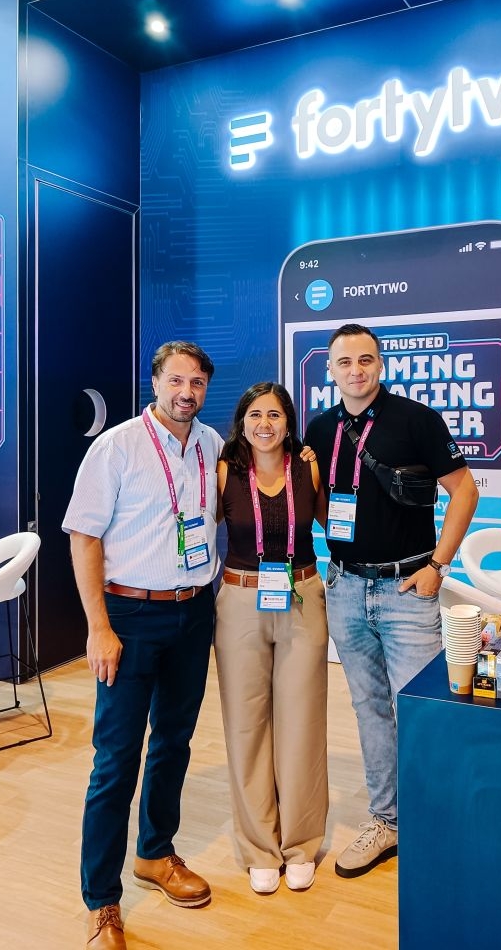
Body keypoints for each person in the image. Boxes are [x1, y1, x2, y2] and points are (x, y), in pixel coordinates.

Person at [63, 341, 223, 950]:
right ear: (155, 383)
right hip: (128, 616)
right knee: (116, 760)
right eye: (176, 380)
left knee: (174, 742)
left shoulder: (211, 444)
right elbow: (83, 538)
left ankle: (155, 853)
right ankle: (101, 901)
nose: (187, 392)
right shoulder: (117, 447)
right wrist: (98, 627)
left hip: (193, 612)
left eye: (197, 382)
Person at [304, 323, 479, 879]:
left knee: (420, 710)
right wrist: (342, 555)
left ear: (381, 364)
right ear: (330, 370)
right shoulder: (319, 428)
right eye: (344, 362)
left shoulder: (417, 420)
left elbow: (465, 490)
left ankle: (439, 820)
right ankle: (388, 820)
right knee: (369, 708)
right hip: (346, 589)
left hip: (408, 590)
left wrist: (437, 567)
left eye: (366, 360)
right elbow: (319, 500)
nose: (355, 370)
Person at [215, 382, 329, 895]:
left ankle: (301, 844)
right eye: (256, 414)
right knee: (246, 724)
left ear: (288, 422)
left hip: (301, 597)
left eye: (275, 415)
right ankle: (260, 846)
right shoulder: (224, 470)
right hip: (241, 600)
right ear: (242, 422)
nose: (265, 423)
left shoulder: (307, 467)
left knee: (302, 723)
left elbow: (334, 522)